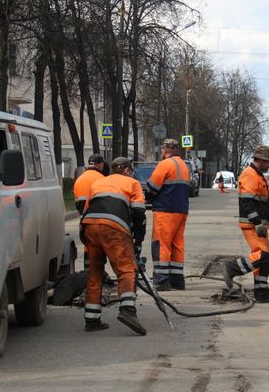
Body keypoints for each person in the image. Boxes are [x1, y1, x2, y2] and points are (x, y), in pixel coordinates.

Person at [80, 157, 147, 335]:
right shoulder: (132, 183)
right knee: (127, 269)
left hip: (90, 227)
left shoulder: (98, 183)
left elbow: (87, 208)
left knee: (95, 272)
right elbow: (139, 213)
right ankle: (128, 312)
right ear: (126, 170)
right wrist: (138, 240)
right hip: (114, 228)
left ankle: (92, 319)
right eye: (131, 170)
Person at [221, 145, 269, 303]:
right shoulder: (250, 175)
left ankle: (262, 292)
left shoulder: (259, 176)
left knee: (264, 257)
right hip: (252, 225)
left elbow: (263, 203)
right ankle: (232, 267)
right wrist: (257, 223)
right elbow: (247, 203)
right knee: (264, 255)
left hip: (259, 224)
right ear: (261, 160)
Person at [145, 138, 190, 291]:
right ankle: (177, 280)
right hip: (181, 211)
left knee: (161, 244)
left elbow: (152, 187)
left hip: (165, 211)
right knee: (177, 244)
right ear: (177, 150)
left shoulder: (164, 164)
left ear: (164, 150)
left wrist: (147, 198)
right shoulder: (184, 166)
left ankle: (162, 280)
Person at [73, 154, 107, 274]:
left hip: (85, 220)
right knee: (101, 247)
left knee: (88, 246)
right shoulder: (102, 179)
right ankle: (99, 273)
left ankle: (88, 272)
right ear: (100, 164)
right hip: (100, 220)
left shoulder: (79, 179)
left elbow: (77, 204)